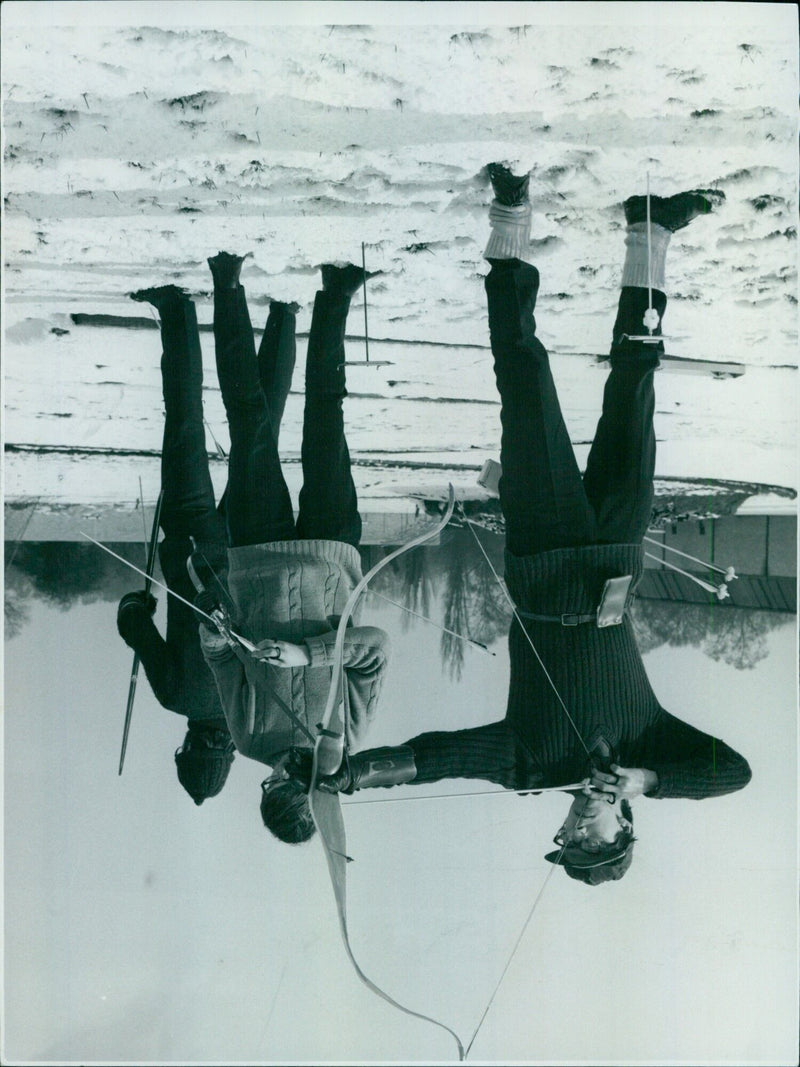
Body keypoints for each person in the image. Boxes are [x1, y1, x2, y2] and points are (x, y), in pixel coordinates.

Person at [286, 166, 751, 885]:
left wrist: (354, 776)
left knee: (525, 375)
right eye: (588, 835)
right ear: (622, 825)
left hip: (543, 555)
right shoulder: (655, 749)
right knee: (636, 382)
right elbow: (735, 774)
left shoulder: (529, 765)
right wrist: (645, 779)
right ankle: (650, 227)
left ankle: (509, 220)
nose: (573, 824)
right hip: (617, 554)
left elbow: (437, 758)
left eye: (567, 835)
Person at [193, 254, 391, 845]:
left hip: (257, 556)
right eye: (293, 782)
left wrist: (215, 628)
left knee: (250, 421)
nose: (282, 772)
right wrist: (308, 656)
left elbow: (223, 661)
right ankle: (336, 297)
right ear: (318, 788)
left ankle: (226, 286)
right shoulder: (345, 737)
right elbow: (375, 652)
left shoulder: (252, 739)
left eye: (274, 785)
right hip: (334, 555)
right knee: (325, 420)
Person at [116, 275, 300, 804]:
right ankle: (176, 309)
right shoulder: (175, 697)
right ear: (188, 750)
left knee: (259, 434)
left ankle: (285, 317)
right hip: (193, 547)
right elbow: (133, 625)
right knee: (186, 423)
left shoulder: (256, 708)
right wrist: (138, 605)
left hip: (251, 551)